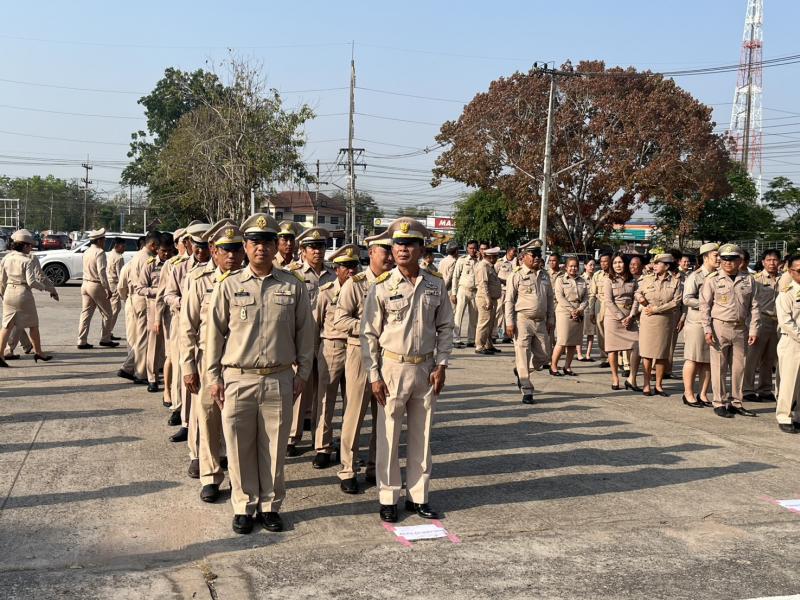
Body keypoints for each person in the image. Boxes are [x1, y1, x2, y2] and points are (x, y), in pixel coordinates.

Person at [206, 212, 314, 534]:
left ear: (276, 245)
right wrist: (213, 377)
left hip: (279, 377)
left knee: (274, 447)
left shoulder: (293, 286)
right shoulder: (229, 285)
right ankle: (243, 505)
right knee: (239, 447)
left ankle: (269, 505)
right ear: (245, 246)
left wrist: (302, 373)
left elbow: (306, 333)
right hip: (238, 377)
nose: (261, 247)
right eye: (254, 241)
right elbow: (214, 335)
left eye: (267, 241)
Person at [361, 217, 454, 523]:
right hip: (392, 368)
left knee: (422, 436)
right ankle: (388, 497)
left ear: (421, 248)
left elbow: (445, 326)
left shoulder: (435, 284)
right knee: (388, 436)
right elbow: (369, 334)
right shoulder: (381, 286)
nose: (402, 249)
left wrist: (442, 363)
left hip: (425, 369)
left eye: (409, 244)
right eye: (398, 244)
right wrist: (374, 375)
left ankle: (418, 496)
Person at [180, 219, 245, 501]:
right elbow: (187, 327)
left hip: (240, 362)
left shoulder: (250, 280)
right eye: (225, 249)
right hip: (208, 360)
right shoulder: (199, 280)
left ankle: (240, 478)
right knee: (207, 418)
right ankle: (210, 475)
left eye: (236, 249)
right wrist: (188, 367)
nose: (231, 255)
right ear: (214, 250)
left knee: (239, 422)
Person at [333, 232, 394, 494]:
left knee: (383, 415)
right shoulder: (355, 284)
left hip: (387, 355)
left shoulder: (394, 282)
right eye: (385, 251)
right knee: (354, 414)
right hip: (360, 353)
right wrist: (368, 327)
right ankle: (348, 469)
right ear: (371, 253)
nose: (390, 256)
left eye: (392, 251)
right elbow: (339, 320)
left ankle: (374, 466)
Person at [287, 226, 336, 454]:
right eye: (312, 247)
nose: (317, 251)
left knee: (322, 391)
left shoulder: (333, 274)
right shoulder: (292, 274)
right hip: (302, 338)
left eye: (321, 246)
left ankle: (320, 440)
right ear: (303, 250)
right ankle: (292, 436)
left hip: (326, 339)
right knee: (299, 388)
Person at [312, 244, 360, 469]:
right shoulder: (326, 291)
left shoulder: (362, 289)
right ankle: (323, 446)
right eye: (345, 266)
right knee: (325, 400)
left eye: (354, 266)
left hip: (355, 347)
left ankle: (347, 446)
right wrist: (314, 355)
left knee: (352, 402)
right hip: (331, 347)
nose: (351, 271)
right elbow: (315, 324)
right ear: (336, 269)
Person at [700, 244, 760, 419]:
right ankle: (719, 402)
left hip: (741, 328)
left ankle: (736, 402)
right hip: (720, 327)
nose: (728, 262)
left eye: (732, 259)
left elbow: (755, 306)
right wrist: (707, 329)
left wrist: (754, 330)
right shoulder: (713, 279)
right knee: (719, 366)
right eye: (724, 259)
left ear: (740, 260)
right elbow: (705, 306)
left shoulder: (748, 280)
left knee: (739, 367)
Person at [164, 223, 210, 445]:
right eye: (197, 246)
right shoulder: (179, 267)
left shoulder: (218, 269)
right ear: (189, 244)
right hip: (183, 324)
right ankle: (185, 421)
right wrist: (184, 302)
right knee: (184, 375)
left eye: (205, 247)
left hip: (208, 329)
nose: (200, 251)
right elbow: (168, 295)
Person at [0, 229, 59, 366]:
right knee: (33, 325)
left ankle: (0, 354)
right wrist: (45, 288)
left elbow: (2, 280)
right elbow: (32, 282)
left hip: (9, 292)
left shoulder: (6, 258)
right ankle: (38, 352)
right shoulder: (27, 260)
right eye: (30, 245)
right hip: (23, 293)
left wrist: (3, 294)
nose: (31, 248)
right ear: (25, 245)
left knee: (6, 326)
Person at [504, 242, 554, 404]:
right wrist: (509, 322)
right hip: (522, 321)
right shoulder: (516, 275)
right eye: (533, 255)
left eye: (539, 255)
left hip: (541, 322)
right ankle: (527, 390)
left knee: (544, 356)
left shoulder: (544, 275)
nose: (537, 258)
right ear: (524, 257)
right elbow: (509, 300)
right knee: (523, 354)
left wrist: (551, 318)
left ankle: (521, 371)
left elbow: (550, 299)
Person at [635, 253, 683, 396]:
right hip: (648, 320)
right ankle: (646, 384)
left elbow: (676, 302)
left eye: (658, 263)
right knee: (647, 353)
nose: (654, 266)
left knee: (662, 354)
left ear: (666, 266)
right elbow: (637, 292)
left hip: (664, 320)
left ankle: (659, 385)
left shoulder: (675, 281)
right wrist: (641, 299)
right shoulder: (647, 279)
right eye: (654, 263)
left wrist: (656, 309)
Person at [681, 243, 719, 408]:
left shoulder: (719, 275)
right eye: (715, 255)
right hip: (696, 322)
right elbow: (687, 299)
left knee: (708, 360)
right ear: (705, 257)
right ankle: (688, 393)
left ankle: (703, 394)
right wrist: (706, 304)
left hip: (714, 322)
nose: (719, 259)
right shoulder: (695, 276)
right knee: (693, 359)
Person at [120, 231, 160, 384]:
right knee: (144, 339)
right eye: (158, 246)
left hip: (135, 299)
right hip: (144, 299)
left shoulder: (137, 256)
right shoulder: (148, 259)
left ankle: (129, 367)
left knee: (140, 337)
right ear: (153, 245)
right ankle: (139, 372)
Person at [743, 249, 781, 402]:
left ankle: (765, 389)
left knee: (770, 358)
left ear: (779, 262)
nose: (772, 263)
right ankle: (747, 389)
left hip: (777, 322)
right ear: (763, 262)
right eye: (769, 260)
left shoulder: (784, 279)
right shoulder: (756, 279)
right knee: (753, 357)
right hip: (760, 320)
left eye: (775, 260)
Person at [136, 233, 171, 393]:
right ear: (157, 249)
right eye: (163, 251)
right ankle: (152, 379)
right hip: (154, 309)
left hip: (171, 310)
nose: (166, 254)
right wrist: (158, 292)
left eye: (169, 251)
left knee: (170, 345)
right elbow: (140, 288)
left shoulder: (175, 264)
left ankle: (170, 378)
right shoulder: (150, 265)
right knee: (154, 346)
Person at [603, 253, 640, 391]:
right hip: (613, 318)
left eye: (620, 262)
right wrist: (621, 317)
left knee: (637, 346)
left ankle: (632, 378)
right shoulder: (609, 280)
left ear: (625, 264)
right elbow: (608, 301)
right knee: (612, 349)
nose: (617, 265)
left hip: (630, 318)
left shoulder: (633, 280)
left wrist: (631, 315)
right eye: (615, 263)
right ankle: (615, 377)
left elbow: (636, 299)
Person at [76, 228, 117, 350]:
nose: (104, 241)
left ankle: (81, 340)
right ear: (99, 240)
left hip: (85, 284)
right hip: (96, 285)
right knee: (107, 313)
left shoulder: (87, 251)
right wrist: (107, 288)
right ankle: (105, 339)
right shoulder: (100, 252)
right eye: (104, 239)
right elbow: (101, 272)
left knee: (86, 314)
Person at [550, 257, 588, 376]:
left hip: (578, 312)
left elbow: (586, 298)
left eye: (575, 266)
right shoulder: (560, 280)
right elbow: (559, 297)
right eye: (571, 266)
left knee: (573, 342)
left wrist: (580, 309)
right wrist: (572, 310)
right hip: (564, 312)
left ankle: (567, 367)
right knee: (562, 340)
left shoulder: (582, 280)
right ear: (566, 267)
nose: (573, 268)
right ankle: (553, 366)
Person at [775, 255, 800, 433]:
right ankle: (784, 416)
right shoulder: (786, 293)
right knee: (789, 382)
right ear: (791, 272)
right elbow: (785, 322)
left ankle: (798, 416)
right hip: (792, 342)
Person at [474, 247, 503, 355]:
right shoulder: (483, 266)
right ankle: (479, 346)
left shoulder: (490, 266)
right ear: (490, 257)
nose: (496, 259)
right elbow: (483, 284)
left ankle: (488, 344)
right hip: (485, 298)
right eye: (495, 257)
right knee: (484, 322)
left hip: (492, 298)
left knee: (490, 323)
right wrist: (488, 299)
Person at [452, 240, 479, 349]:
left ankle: (471, 339)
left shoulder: (480, 261)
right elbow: (455, 276)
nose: (473, 250)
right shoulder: (462, 260)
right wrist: (453, 293)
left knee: (474, 317)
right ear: (467, 249)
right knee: (458, 315)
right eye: (471, 248)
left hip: (475, 291)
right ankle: (456, 339)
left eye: (474, 248)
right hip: (463, 290)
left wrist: (480, 259)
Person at [591, 252, 612, 368]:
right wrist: (591, 311)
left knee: (613, 332)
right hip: (600, 304)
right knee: (600, 332)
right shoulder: (597, 275)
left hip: (612, 304)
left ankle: (617, 358)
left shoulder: (615, 274)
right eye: (602, 261)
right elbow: (592, 294)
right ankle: (605, 357)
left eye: (606, 261)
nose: (603, 264)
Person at [495, 246, 517, 343]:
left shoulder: (517, 262)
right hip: (502, 290)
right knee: (499, 312)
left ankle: (507, 335)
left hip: (512, 292)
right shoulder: (500, 262)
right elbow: (494, 275)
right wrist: (503, 281)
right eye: (513, 251)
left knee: (510, 312)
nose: (515, 253)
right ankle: (495, 333)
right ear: (508, 252)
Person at [106, 237, 126, 338]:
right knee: (115, 309)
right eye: (123, 246)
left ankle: (108, 332)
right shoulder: (119, 257)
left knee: (112, 309)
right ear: (117, 246)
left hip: (109, 283)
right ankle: (107, 332)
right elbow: (120, 275)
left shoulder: (110, 254)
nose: (124, 249)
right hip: (115, 284)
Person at [578, 258, 597, 361]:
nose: (592, 267)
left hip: (592, 308)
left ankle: (588, 354)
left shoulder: (596, 278)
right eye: (590, 265)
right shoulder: (580, 279)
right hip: (582, 308)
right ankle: (579, 354)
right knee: (579, 333)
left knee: (591, 332)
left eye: (594, 265)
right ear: (585, 266)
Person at [439, 242, 459, 312]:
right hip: (449, 289)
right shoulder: (453, 261)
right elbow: (449, 278)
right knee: (451, 312)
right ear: (456, 251)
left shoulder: (442, 260)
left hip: (441, 286)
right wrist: (444, 289)